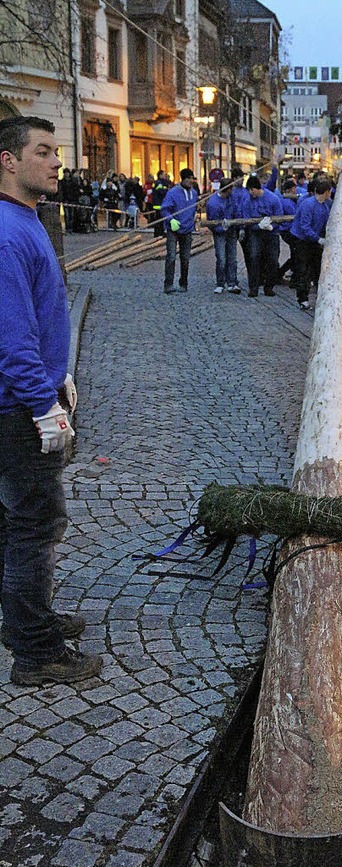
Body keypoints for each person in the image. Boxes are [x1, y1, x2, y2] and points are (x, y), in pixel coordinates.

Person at [0, 115, 102, 685]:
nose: (57, 161)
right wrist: (44, 404)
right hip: (15, 406)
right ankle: (37, 653)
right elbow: (12, 336)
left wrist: (60, 378)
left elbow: (38, 319)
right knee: (35, 525)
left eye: (56, 151)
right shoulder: (8, 233)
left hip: (24, 394)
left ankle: (24, 620)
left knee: (12, 523)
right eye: (44, 151)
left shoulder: (26, 218)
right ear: (9, 160)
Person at [290, 178, 332, 309]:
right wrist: (318, 238)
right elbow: (304, 226)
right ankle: (302, 298)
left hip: (313, 239)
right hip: (302, 240)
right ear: (326, 192)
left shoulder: (326, 204)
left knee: (317, 268)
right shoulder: (308, 205)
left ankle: (319, 296)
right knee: (303, 269)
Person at [241, 174, 283, 298]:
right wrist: (258, 227)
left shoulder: (273, 199)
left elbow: (279, 216)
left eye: (251, 190)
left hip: (271, 233)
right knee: (254, 258)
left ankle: (269, 286)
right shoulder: (247, 202)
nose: (250, 193)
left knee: (273, 260)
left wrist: (271, 226)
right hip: (256, 233)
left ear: (256, 188)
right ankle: (253, 287)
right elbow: (246, 219)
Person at [160, 167, 198, 294]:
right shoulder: (173, 193)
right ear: (183, 179)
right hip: (173, 229)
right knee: (171, 256)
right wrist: (170, 220)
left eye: (192, 178)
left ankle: (184, 283)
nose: (190, 181)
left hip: (187, 230)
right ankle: (168, 284)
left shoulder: (194, 193)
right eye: (188, 179)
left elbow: (194, 209)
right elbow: (164, 209)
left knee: (185, 258)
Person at [206, 179, 240, 294]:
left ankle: (232, 283)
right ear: (228, 189)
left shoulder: (232, 199)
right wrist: (221, 228)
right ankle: (220, 283)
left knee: (232, 259)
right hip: (220, 233)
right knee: (221, 258)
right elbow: (211, 222)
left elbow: (236, 211)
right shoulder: (213, 203)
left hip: (231, 231)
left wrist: (235, 225)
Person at [277, 178, 299, 285]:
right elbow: (294, 213)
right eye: (294, 187)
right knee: (296, 254)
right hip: (288, 230)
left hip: (289, 229)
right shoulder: (287, 201)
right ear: (290, 189)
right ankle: (281, 273)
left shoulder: (290, 200)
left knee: (295, 253)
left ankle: (287, 274)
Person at [151, 170, 170, 237]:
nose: (165, 176)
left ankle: (159, 232)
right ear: (160, 175)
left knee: (160, 220)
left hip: (158, 203)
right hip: (159, 204)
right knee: (159, 220)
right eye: (164, 175)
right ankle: (159, 233)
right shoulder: (159, 183)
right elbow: (161, 192)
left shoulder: (158, 182)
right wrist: (167, 190)